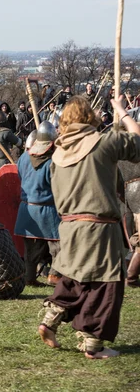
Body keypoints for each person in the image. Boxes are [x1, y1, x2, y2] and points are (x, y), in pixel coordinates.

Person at [38, 95, 140, 359]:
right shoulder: (104, 143)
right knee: (105, 285)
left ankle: (51, 317)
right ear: (89, 117)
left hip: (69, 228)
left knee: (76, 277)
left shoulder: (57, 153)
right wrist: (123, 112)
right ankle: (93, 344)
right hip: (99, 228)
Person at [14, 121, 61, 287]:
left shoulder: (24, 157)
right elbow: (57, 186)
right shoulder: (53, 162)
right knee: (59, 245)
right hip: (47, 210)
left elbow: (20, 176)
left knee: (31, 248)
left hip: (27, 209)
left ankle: (30, 277)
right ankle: (54, 276)